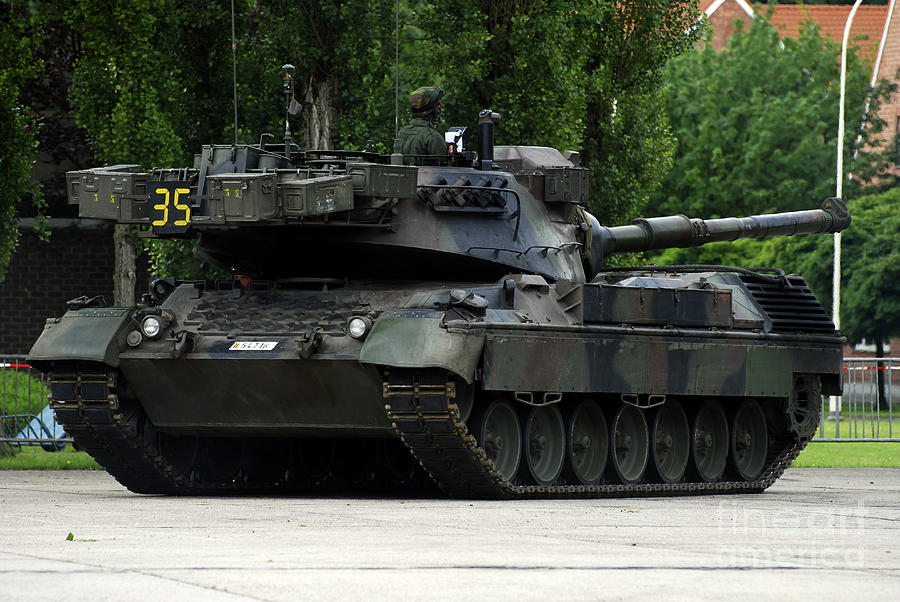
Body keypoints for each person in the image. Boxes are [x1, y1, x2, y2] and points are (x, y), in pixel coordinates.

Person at [397, 86, 446, 155]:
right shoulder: (433, 137)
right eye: (438, 105)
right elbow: (442, 164)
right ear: (435, 110)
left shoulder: (402, 132)